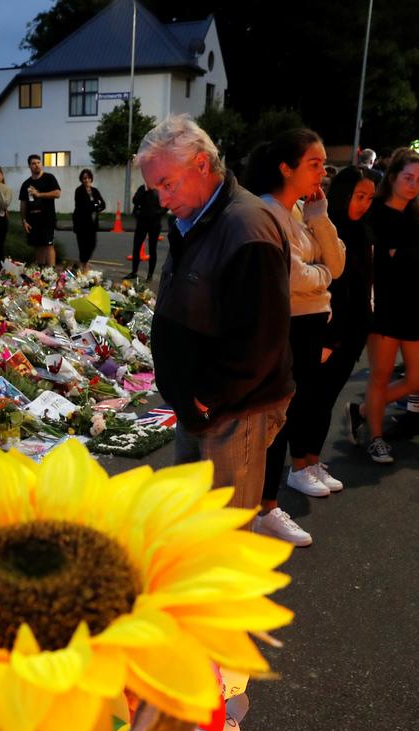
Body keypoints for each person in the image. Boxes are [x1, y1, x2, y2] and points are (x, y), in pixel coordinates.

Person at [137, 116, 294, 539]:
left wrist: (208, 397)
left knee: (223, 535)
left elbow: (261, 337)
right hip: (200, 407)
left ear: (203, 165)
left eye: (168, 184)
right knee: (191, 525)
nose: (163, 199)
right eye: (156, 189)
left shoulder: (246, 225)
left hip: (232, 410)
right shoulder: (199, 217)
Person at [242, 129, 345, 544]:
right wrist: (322, 278)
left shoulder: (305, 210)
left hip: (310, 321)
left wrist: (320, 220)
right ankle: (264, 507)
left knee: (293, 410)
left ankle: (269, 500)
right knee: (274, 420)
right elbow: (292, 277)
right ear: (286, 168)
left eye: (323, 163)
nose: (323, 171)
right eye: (314, 164)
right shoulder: (268, 213)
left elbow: (337, 262)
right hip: (283, 324)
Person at [345, 150, 419, 463]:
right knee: (380, 375)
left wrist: (403, 255)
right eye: (408, 177)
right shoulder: (374, 213)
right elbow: (382, 263)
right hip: (385, 307)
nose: (414, 185)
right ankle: (375, 437)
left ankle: (364, 410)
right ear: (393, 176)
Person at [316, 166, 375, 462]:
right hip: (328, 331)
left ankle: (310, 463)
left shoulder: (363, 231)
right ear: (343, 194)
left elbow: (365, 285)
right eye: (359, 196)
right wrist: (328, 337)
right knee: (313, 400)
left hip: (355, 329)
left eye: (369, 198)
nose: (364, 203)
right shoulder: (326, 228)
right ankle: (301, 464)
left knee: (326, 399)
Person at [20, 155, 62, 267]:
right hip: (33, 220)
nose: (36, 165)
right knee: (38, 246)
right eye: (33, 163)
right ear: (29, 166)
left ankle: (51, 273)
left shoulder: (49, 178)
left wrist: (39, 194)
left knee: (48, 245)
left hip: (47, 218)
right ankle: (40, 273)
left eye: (38, 162)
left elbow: (57, 193)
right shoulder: (26, 184)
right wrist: (24, 220)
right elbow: (23, 204)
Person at [129, 183, 167, 280]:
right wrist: (144, 191)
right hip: (142, 222)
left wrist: (158, 213)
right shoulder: (142, 188)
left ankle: (150, 275)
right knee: (136, 247)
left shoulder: (160, 189)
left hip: (154, 224)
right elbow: (135, 200)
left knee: (152, 249)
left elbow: (166, 205)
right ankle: (134, 272)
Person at [72, 169, 105, 269]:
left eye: (88, 178)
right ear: (81, 179)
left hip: (92, 223)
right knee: (83, 245)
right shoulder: (79, 191)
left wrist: (95, 205)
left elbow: (103, 204)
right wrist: (96, 204)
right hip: (81, 222)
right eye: (84, 178)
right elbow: (84, 206)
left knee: (92, 244)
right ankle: (84, 265)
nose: (86, 180)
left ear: (91, 179)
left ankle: (84, 262)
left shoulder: (95, 191)